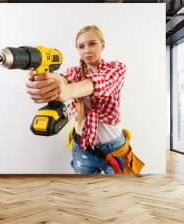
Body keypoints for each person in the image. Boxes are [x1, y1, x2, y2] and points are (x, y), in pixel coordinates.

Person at [25, 25, 127, 174]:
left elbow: (98, 82)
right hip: (82, 149)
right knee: (83, 193)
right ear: (77, 49)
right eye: (81, 46)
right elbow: (63, 79)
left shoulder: (116, 68)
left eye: (92, 43)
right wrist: (43, 81)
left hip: (114, 149)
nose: (86, 50)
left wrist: (67, 91)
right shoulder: (73, 72)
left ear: (102, 45)